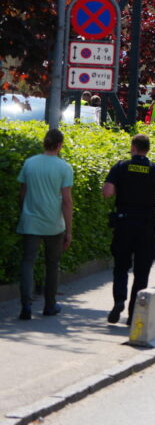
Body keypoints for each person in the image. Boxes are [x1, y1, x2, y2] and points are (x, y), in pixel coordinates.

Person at [102, 134, 155, 324]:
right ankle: (132, 314)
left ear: (133, 147)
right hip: (146, 226)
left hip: (123, 223)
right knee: (142, 271)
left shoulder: (121, 167)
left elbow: (107, 192)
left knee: (121, 266)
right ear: (147, 149)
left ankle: (119, 300)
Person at [16, 129, 73, 320]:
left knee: (27, 262)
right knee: (52, 264)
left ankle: (26, 305)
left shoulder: (29, 163)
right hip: (53, 223)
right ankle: (49, 305)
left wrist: (23, 212)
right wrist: (69, 230)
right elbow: (66, 201)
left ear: (44, 143)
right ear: (60, 145)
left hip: (30, 220)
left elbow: (22, 192)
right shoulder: (64, 167)